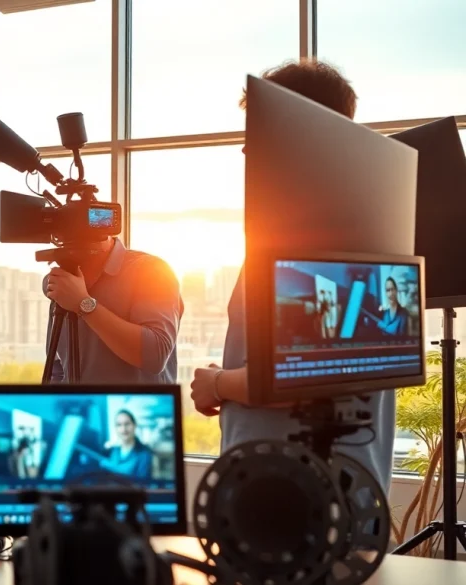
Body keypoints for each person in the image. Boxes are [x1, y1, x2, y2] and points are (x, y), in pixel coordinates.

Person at [189, 59, 397, 494]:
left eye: (258, 131)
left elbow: (301, 377)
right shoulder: (361, 221)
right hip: (288, 492)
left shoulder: (324, 235)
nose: (246, 150)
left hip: (299, 504)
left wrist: (219, 383)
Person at [42, 237, 183, 384]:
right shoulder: (63, 280)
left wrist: (83, 304)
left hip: (138, 406)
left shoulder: (150, 270)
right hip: (82, 406)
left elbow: (156, 354)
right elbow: (57, 367)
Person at [99, 409, 154, 480]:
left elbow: (142, 484)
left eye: (127, 424)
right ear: (115, 428)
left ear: (134, 425)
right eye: (119, 425)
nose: (123, 429)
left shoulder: (144, 454)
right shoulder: (112, 451)